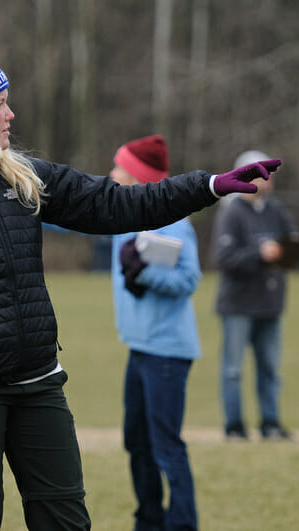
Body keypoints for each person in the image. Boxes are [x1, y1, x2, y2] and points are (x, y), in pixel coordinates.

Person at [0, 39, 281, 530]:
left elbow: (119, 204)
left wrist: (209, 185)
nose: (12, 114)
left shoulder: (24, 177)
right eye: (0, 104)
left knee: (67, 521)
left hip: (39, 384)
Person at [110, 135, 201, 530]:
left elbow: (189, 278)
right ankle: (148, 520)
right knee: (137, 443)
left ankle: (181, 524)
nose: (112, 174)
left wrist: (145, 273)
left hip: (167, 352)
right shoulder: (121, 214)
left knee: (166, 447)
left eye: (119, 167)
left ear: (137, 176)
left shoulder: (175, 221)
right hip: (139, 347)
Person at [211, 149, 299, 441]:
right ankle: (235, 427)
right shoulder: (232, 212)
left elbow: (295, 239)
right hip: (238, 305)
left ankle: (270, 424)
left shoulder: (274, 210)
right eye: (263, 175)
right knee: (233, 371)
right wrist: (259, 253)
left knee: (270, 369)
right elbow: (223, 257)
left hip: (270, 304)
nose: (269, 180)